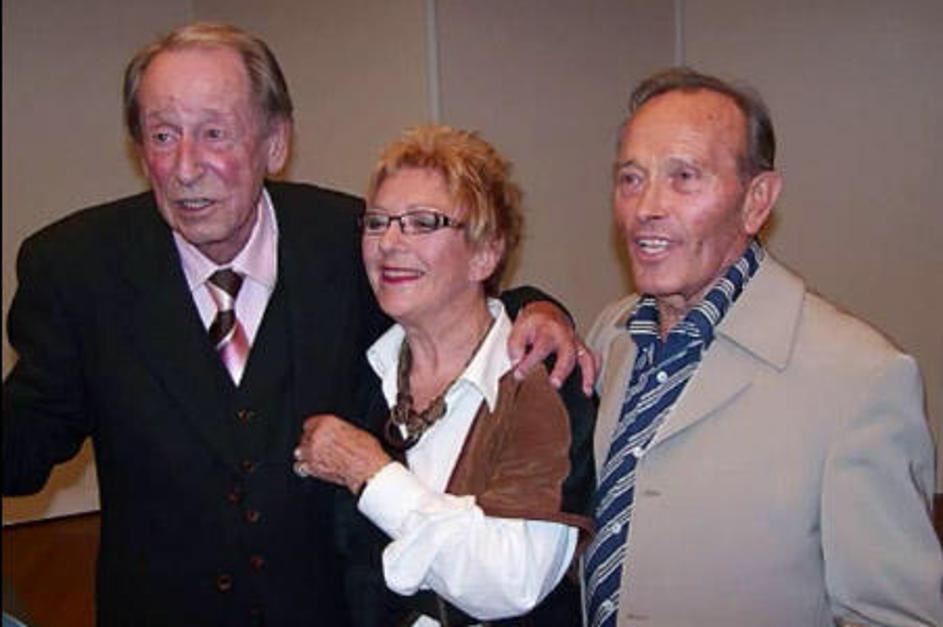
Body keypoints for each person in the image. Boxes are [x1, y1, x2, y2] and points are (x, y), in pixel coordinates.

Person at [1, 23, 594, 627]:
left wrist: (542, 312)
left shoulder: (347, 240)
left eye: (214, 133)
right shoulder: (77, 268)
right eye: (162, 135)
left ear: (276, 142)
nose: (185, 167)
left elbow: (455, 289)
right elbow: (26, 437)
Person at [581, 67, 943, 627]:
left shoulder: (861, 379)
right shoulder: (613, 334)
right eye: (631, 178)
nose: (645, 206)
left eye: (683, 177)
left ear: (757, 201)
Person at [293, 125, 596, 626]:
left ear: (485, 253)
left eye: (422, 222)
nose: (389, 242)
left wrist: (370, 473)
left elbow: (512, 581)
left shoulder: (539, 380)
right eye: (377, 222)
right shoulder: (359, 376)